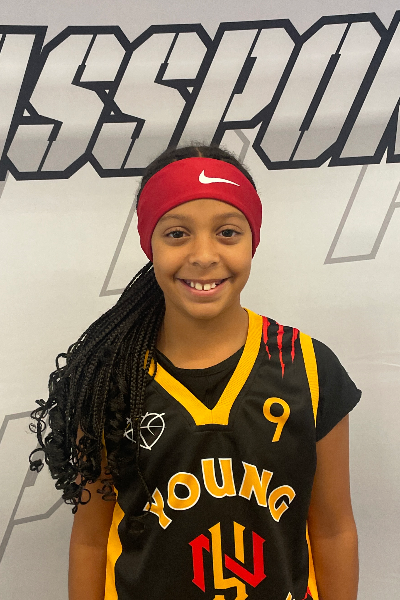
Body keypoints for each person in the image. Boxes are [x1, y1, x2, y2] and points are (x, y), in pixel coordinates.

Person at [29, 144, 361, 600]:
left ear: (252, 241)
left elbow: (334, 529)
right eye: (177, 234)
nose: (204, 255)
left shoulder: (308, 367)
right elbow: (89, 539)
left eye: (227, 232)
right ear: (150, 244)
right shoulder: (111, 379)